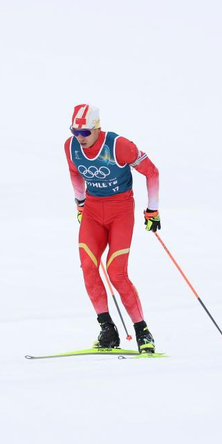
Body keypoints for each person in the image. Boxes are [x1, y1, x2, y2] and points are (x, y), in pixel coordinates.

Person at [64, 104, 161, 353]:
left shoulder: (119, 145)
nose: (79, 137)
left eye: (85, 132)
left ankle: (142, 331)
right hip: (93, 211)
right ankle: (107, 329)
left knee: (116, 272)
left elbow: (152, 172)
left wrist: (152, 210)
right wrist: (80, 203)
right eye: (75, 131)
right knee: (88, 267)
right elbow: (75, 173)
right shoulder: (71, 146)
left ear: (97, 128)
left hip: (120, 211)